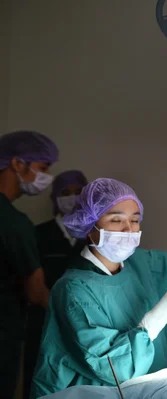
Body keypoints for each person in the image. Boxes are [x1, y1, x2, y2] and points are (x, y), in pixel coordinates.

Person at [31, 178, 167, 397]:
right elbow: (114, 368)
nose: (128, 229)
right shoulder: (73, 290)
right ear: (90, 226)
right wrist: (155, 319)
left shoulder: (143, 263)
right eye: (116, 220)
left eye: (135, 221)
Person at [0, 130, 59, 398]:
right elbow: (36, 293)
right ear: (16, 163)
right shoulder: (14, 223)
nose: (45, 177)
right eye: (42, 168)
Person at [23, 170, 89, 399]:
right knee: (42, 379)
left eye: (78, 192)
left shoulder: (95, 235)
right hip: (43, 320)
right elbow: (29, 281)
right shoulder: (37, 234)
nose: (72, 197)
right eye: (65, 192)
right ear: (54, 198)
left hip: (85, 323)